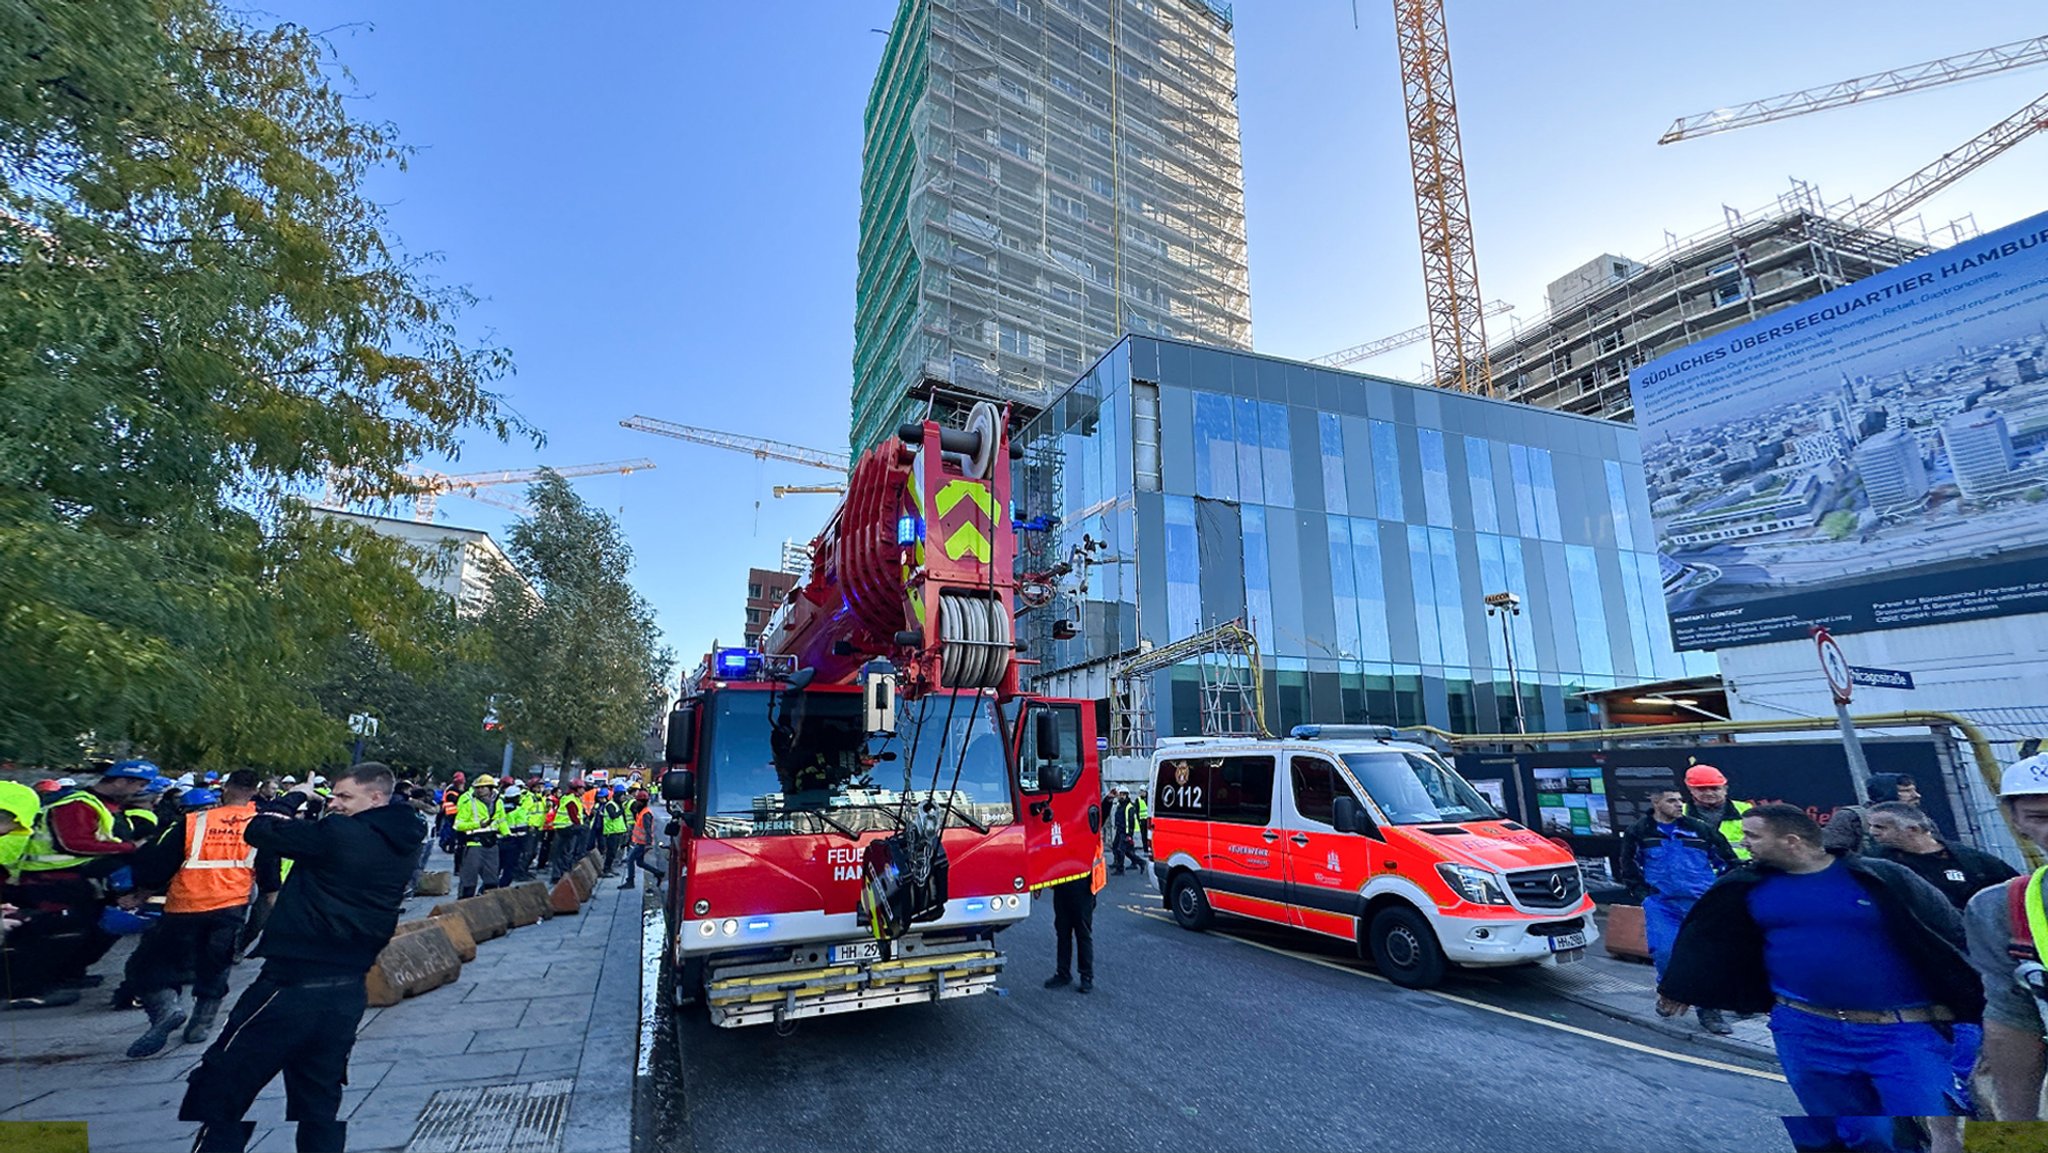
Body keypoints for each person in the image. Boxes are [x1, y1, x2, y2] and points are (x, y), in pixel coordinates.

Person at [1656, 803, 1982, 1152]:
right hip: (1805, 1031)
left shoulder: (1883, 876)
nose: (1744, 843)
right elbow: (1707, 937)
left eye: (1753, 836)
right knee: (1850, 1135)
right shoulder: (1743, 886)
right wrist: (1681, 986)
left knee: (1939, 1133)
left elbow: (1951, 931)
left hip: (1904, 1032)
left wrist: (1976, 1001)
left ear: (1791, 840)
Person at [180, 762, 423, 1153]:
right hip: (345, 990)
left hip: (291, 985)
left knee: (221, 1083)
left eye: (345, 797)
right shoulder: (402, 840)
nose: (335, 804)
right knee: (317, 1101)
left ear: (376, 797)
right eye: (333, 796)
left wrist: (297, 797)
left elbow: (259, 828)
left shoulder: (340, 834)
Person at [123, 772, 261, 1057]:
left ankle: (167, 1009)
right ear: (255, 791)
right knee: (215, 965)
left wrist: (141, 893)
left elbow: (160, 864)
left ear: (224, 789)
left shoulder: (193, 822)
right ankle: (202, 1023)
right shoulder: (261, 825)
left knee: (148, 964)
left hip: (185, 905)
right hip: (231, 906)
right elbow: (270, 876)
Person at [9, 760, 156, 986]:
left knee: (93, 928)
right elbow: (73, 843)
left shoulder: (101, 805)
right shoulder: (78, 804)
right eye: (138, 785)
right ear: (120, 781)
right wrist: (129, 848)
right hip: (49, 878)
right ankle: (37, 984)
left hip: (74, 878)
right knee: (62, 932)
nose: (141, 791)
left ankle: (68, 973)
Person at [1962, 753, 2048, 1122]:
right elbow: (2014, 1024)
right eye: (2040, 818)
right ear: (2016, 822)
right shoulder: (2002, 909)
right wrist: (2018, 1133)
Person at [1618, 786, 1739, 1035]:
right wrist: (1644, 897)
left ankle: (1709, 1011)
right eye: (1671, 800)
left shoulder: (1699, 829)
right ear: (1655, 803)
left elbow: (1729, 861)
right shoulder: (1639, 832)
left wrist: (1719, 893)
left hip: (1700, 905)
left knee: (1706, 958)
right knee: (1664, 952)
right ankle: (1668, 992)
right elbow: (1629, 867)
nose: (1678, 804)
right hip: (1663, 904)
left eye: (1680, 800)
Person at [1045, 844, 1106, 994]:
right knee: (1062, 931)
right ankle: (1063, 973)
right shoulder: (1061, 824)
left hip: (1083, 885)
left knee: (1082, 932)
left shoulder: (1089, 822)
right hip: (1062, 883)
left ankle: (1086, 976)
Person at [1827, 773, 1934, 857]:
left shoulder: (1921, 820)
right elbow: (1833, 854)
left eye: (1914, 790)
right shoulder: (1852, 817)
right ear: (1887, 792)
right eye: (1905, 791)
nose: (1916, 795)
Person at [1682, 764, 1753, 860]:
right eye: (1701, 789)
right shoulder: (1679, 813)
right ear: (1690, 790)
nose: (1709, 793)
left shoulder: (1746, 809)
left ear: (1725, 789)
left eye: (1714, 788)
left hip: (1740, 869)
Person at [453, 775, 506, 899]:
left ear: (491, 788)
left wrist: (507, 834)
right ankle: (464, 905)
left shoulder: (498, 802)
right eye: (478, 788)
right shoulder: (469, 803)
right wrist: (478, 824)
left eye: (483, 787)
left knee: (492, 880)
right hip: (474, 844)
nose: (480, 790)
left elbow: (502, 821)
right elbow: (458, 825)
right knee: (469, 880)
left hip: (492, 844)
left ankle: (489, 906)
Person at [498, 783, 532, 888]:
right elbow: (521, 831)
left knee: (496, 868)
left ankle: (487, 889)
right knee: (509, 869)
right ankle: (502, 888)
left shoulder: (499, 809)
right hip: (514, 844)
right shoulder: (519, 811)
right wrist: (524, 846)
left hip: (499, 842)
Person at [550, 786, 586, 883]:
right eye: (582, 788)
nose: (584, 790)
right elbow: (574, 816)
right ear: (577, 789)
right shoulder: (571, 800)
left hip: (563, 828)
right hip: (567, 828)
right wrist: (580, 827)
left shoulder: (570, 798)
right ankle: (561, 874)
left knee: (561, 852)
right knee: (565, 852)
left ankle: (560, 874)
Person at [1109, 788, 1143, 875]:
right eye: (1120, 794)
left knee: (1121, 850)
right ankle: (1140, 862)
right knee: (1119, 848)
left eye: (1122, 794)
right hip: (1119, 830)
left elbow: (1130, 822)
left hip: (1125, 832)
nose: (1120, 796)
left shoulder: (1129, 807)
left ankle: (1120, 869)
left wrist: (1129, 834)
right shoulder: (1120, 805)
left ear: (1126, 795)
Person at [598, 786, 628, 877]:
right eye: (622, 796)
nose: (623, 798)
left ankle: (609, 868)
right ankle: (606, 869)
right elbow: (613, 816)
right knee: (610, 852)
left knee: (614, 852)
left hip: (617, 831)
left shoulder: (618, 805)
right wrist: (622, 810)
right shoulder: (610, 805)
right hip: (611, 832)